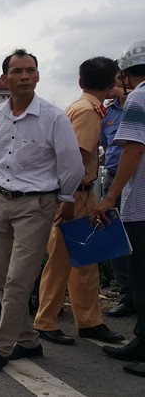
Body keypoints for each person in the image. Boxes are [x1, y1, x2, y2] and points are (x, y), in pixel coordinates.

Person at [0, 49, 83, 376]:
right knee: (1, 277)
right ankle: (27, 339)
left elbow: (72, 165)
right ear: (5, 79)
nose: (24, 76)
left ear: (38, 76)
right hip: (0, 202)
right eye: (17, 71)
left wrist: (65, 200)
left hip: (36, 205)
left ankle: (0, 346)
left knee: (17, 281)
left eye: (30, 71)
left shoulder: (54, 117)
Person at [33, 57, 125, 346]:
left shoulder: (80, 107)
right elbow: (78, 158)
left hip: (78, 193)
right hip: (76, 193)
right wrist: (68, 199)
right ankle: (46, 321)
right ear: (112, 84)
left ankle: (89, 321)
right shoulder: (87, 112)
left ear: (80, 82)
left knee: (85, 262)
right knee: (62, 261)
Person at [90, 40, 145, 377]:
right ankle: (141, 340)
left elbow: (133, 149)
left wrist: (110, 197)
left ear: (124, 74)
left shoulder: (139, 98)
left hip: (141, 203)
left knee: (142, 276)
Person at [102, 74, 135, 317]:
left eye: (116, 81)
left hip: (136, 179)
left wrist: (127, 97)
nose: (111, 86)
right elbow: (105, 144)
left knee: (137, 236)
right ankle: (126, 295)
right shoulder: (109, 113)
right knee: (114, 238)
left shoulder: (138, 104)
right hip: (112, 177)